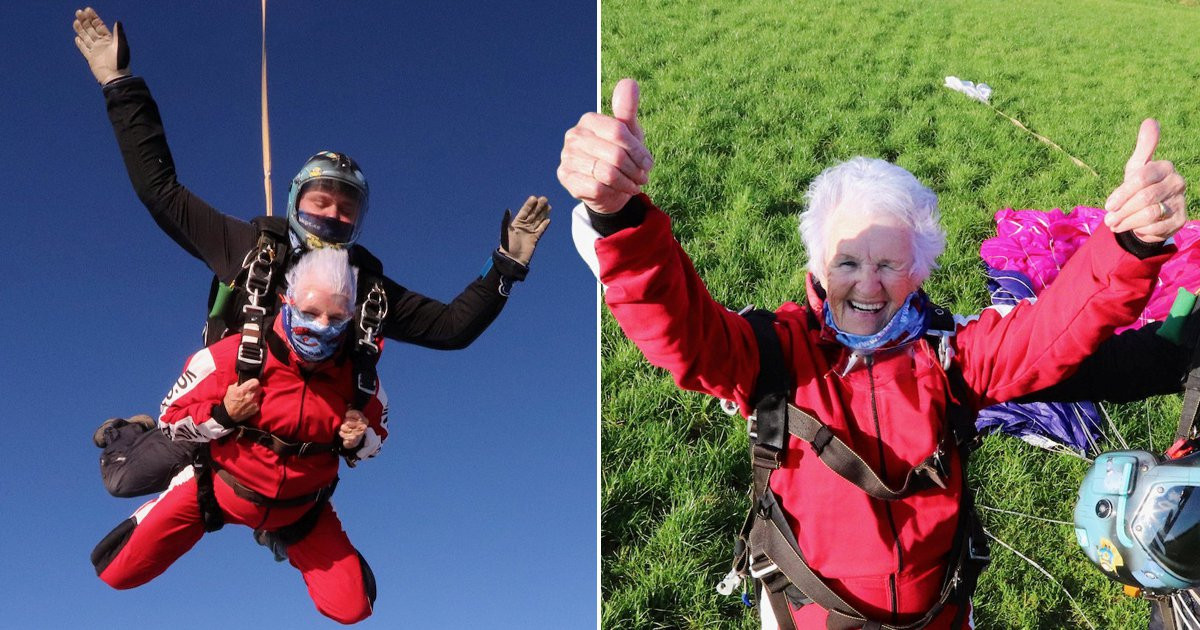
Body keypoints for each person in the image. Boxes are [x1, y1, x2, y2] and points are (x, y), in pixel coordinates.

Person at [560, 78, 1187, 629]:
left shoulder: (955, 356)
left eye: (890, 263)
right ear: (815, 266)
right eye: (848, 262)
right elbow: (680, 330)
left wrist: (1127, 244)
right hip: (811, 615)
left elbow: (1054, 331)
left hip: (939, 612)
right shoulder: (771, 356)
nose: (867, 283)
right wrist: (618, 220)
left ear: (919, 272)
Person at [73, 7, 551, 498]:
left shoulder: (366, 288)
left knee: (300, 498)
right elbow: (162, 192)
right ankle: (129, 432)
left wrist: (505, 267)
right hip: (231, 402)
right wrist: (118, 83)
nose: (333, 215)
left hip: (298, 431)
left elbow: (452, 328)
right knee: (129, 479)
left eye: (348, 208)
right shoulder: (251, 248)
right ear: (295, 202)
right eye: (320, 200)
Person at [91, 249, 387, 624]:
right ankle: (129, 435)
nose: (322, 326)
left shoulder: (360, 381)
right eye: (310, 313)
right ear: (287, 302)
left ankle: (275, 533)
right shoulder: (234, 356)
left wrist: (358, 440)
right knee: (115, 569)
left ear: (350, 320)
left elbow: (378, 438)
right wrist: (223, 414)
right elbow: (170, 417)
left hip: (300, 511)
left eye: (337, 317)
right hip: (218, 489)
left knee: (353, 606)